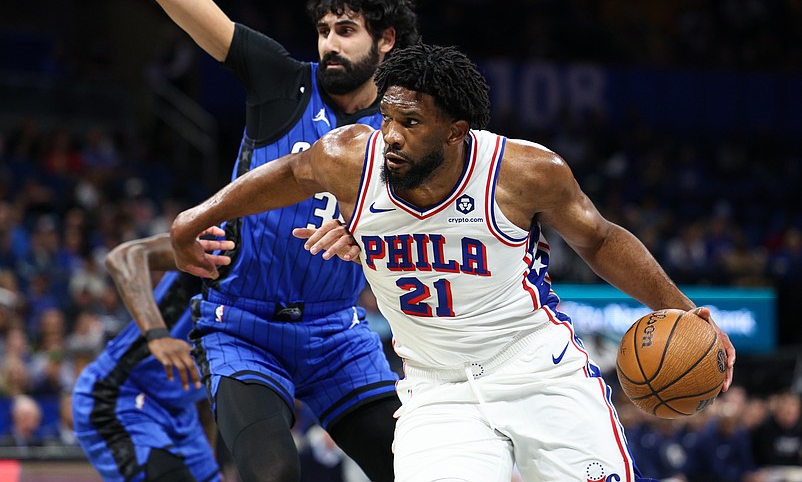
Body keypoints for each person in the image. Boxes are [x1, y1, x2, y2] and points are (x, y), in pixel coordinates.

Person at [170, 43, 737, 482]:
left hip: (537, 368)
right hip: (438, 390)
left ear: (457, 131)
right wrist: (194, 219)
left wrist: (684, 311)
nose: (390, 135)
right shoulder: (351, 160)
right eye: (387, 118)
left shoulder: (524, 172)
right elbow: (288, 176)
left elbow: (599, 240)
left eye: (410, 124)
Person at [119, 0, 419, 481]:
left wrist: (371, 234)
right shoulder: (281, 79)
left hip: (336, 334)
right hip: (241, 327)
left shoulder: (407, 128)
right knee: (274, 473)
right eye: (323, 29)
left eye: (346, 29)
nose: (329, 43)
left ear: (386, 40)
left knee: (417, 468)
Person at [72, 230, 232, 482]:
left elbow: (205, 390)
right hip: (119, 396)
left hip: (182, 411)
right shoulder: (220, 244)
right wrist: (157, 334)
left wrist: (207, 458)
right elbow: (124, 256)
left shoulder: (276, 298)